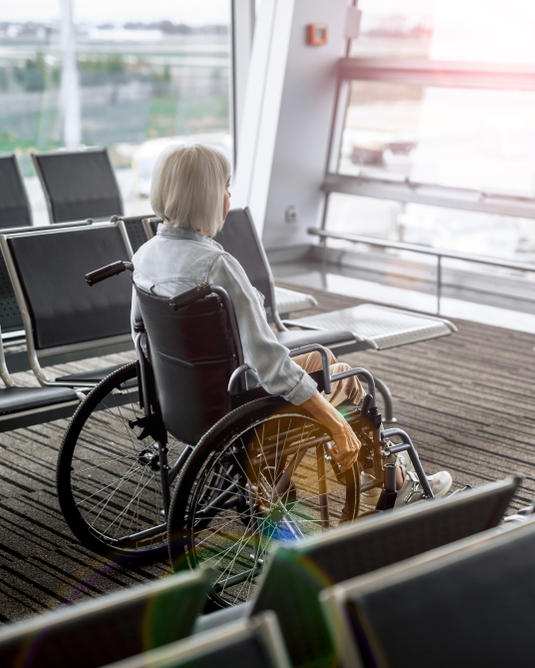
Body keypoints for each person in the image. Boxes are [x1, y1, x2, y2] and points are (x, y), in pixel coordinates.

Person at [130, 144, 452, 505]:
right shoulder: (217, 266)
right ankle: (397, 480)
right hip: (234, 401)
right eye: (225, 186)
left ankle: (389, 472)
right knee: (348, 378)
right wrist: (333, 420)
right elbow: (268, 362)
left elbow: (141, 337)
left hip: (184, 398)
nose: (228, 196)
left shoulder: (145, 256)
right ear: (205, 194)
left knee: (323, 360)